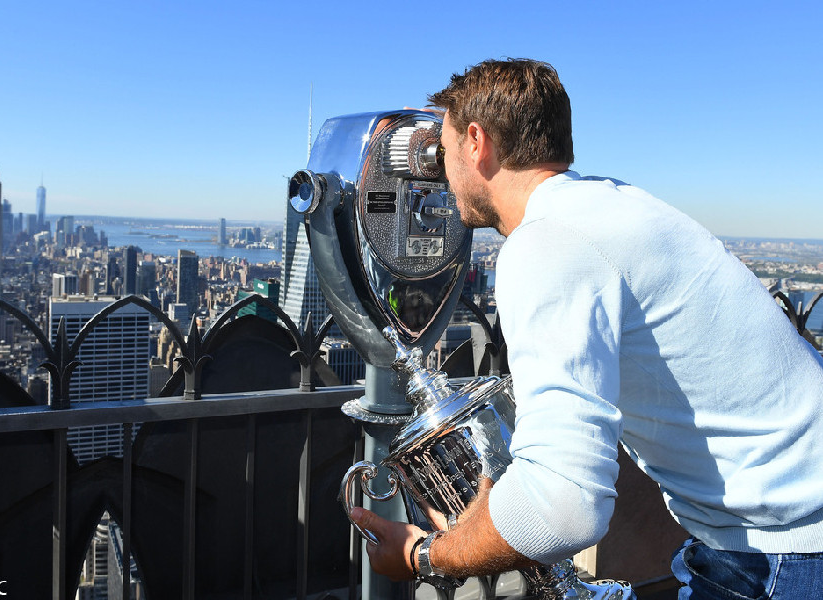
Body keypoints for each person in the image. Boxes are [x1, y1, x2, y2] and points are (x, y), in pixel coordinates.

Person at [350, 58, 823, 598]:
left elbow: (563, 508)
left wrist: (424, 555)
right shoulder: (611, 205)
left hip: (782, 555)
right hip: (781, 525)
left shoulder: (549, 243)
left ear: (477, 142)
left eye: (444, 150)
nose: (440, 170)